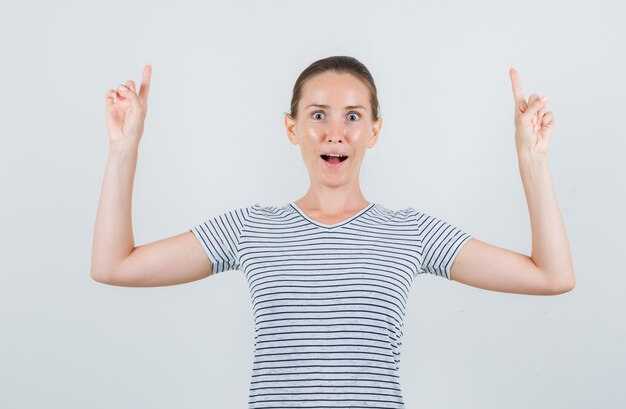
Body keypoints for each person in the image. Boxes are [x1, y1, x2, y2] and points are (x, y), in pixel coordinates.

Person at [91, 56, 575, 408]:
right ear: (292, 128)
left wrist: (532, 159)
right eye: (318, 114)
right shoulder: (251, 229)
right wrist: (123, 147)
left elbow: (551, 276)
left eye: (353, 116)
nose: (334, 132)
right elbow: (114, 265)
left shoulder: (409, 233)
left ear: (375, 131)